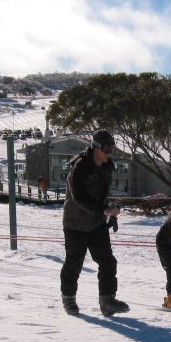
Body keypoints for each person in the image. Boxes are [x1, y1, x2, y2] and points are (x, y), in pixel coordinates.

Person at [60, 130, 129, 316]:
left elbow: (101, 196)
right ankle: (69, 299)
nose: (109, 153)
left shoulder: (107, 167)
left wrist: (109, 214)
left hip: (97, 222)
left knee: (107, 261)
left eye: (112, 149)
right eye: (106, 149)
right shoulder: (81, 166)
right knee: (74, 263)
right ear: (95, 147)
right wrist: (104, 211)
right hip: (75, 223)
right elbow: (78, 197)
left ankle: (107, 300)